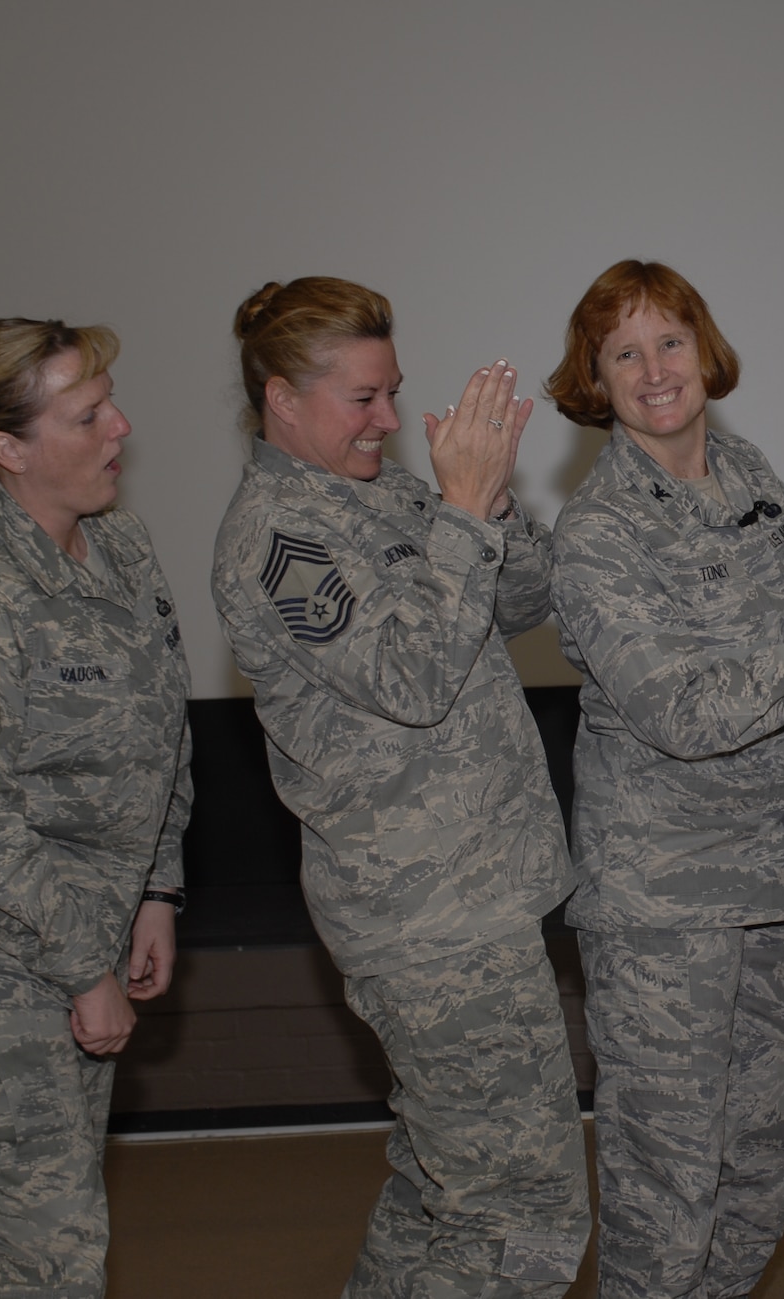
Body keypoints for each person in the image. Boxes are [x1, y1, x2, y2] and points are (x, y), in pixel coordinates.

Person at [544, 259, 784, 1297]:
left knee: (762, 1169)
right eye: (624, 352)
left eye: (670, 340)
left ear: (704, 349)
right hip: (664, 905)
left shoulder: (746, 469)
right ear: (595, 378)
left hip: (773, 883)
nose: (655, 369)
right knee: (665, 1189)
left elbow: (768, 607)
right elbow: (683, 711)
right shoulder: (598, 532)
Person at [210, 278, 590, 1297]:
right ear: (281, 397)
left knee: (440, 1192)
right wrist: (461, 512)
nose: (387, 421)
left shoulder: (384, 493)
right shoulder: (277, 538)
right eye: (361, 400)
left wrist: (493, 499)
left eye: (393, 394)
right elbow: (412, 679)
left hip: (482, 892)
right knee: (520, 1217)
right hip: (428, 921)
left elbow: (517, 603)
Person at [0, 318, 189, 1297]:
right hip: (1, 969)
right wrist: (77, 964)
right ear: (8, 448)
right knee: (41, 1252)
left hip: (85, 941)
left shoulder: (121, 546)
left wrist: (157, 887)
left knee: (45, 1228)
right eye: (89, 414)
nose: (121, 427)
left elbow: (164, 727)